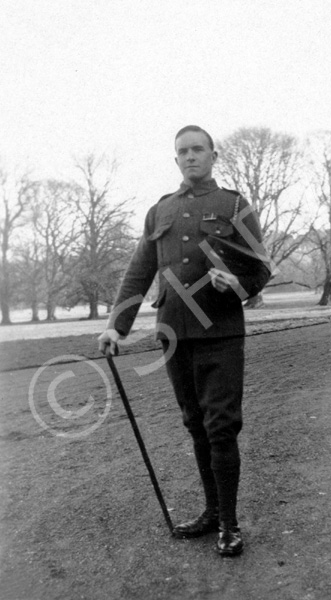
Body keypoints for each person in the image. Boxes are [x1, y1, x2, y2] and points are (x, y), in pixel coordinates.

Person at [98, 125, 271, 556]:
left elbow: (260, 271)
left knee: (221, 426)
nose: (191, 156)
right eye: (183, 151)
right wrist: (115, 327)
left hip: (221, 333)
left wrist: (236, 283)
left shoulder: (234, 205)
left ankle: (230, 525)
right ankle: (212, 512)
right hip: (175, 334)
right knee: (195, 424)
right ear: (176, 159)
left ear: (213, 155)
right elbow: (139, 272)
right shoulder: (160, 212)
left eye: (198, 149)